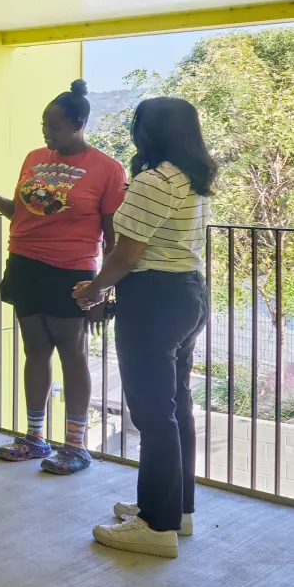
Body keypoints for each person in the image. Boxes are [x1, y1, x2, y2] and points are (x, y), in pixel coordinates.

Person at [0, 80, 125, 474]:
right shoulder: (35, 157)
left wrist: (103, 290)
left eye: (55, 127)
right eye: (44, 125)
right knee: (35, 352)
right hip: (25, 264)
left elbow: (113, 237)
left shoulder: (106, 168)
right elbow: (20, 212)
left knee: (73, 354)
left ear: (80, 122)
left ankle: (76, 445)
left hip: (71, 271)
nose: (47, 134)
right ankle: (34, 437)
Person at [72, 97, 214, 559]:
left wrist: (94, 289)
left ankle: (155, 526)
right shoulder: (191, 177)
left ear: (148, 132)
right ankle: (176, 509)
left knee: (153, 414)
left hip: (153, 299)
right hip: (189, 293)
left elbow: (127, 254)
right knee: (175, 406)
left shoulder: (152, 181)